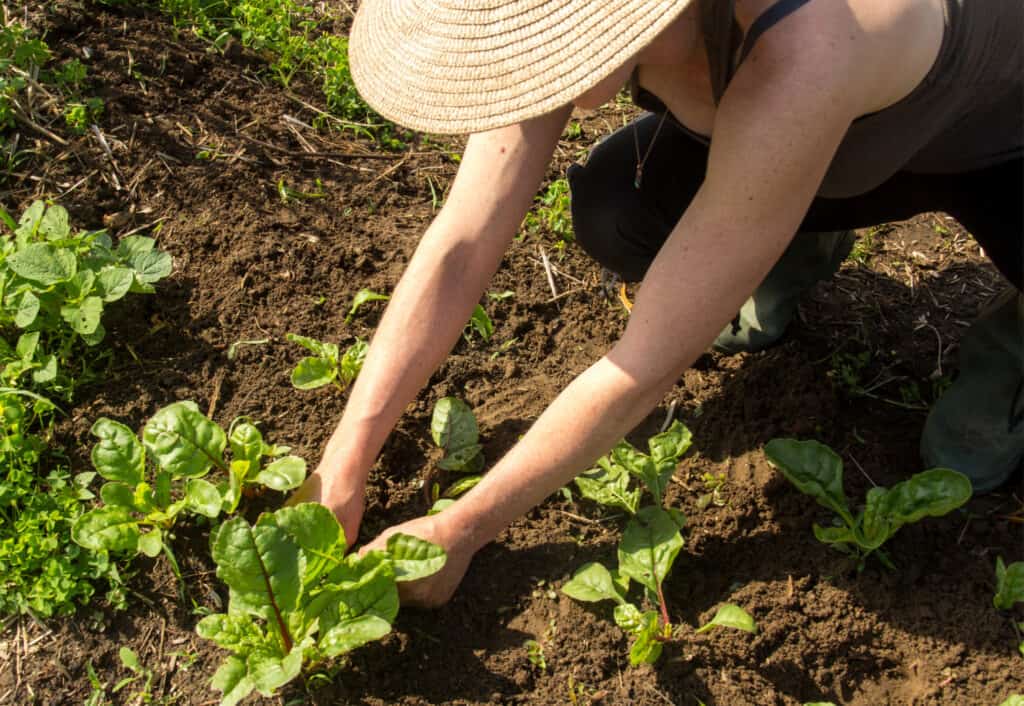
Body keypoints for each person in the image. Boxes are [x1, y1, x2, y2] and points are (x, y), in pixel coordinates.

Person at [289, 0, 1023, 606]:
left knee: (966, 435)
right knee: (618, 208)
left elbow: (643, 363)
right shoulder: (585, 32)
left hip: (995, 141)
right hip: (827, 138)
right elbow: (461, 243)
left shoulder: (809, 46)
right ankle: (784, 236)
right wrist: (345, 456)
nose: (516, 48)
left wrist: (464, 529)